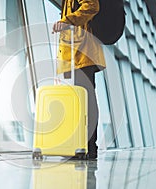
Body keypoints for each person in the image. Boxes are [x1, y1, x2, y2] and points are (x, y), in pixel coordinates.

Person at [52, 0, 106, 159]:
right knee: (78, 103)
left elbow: (92, 6)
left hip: (82, 53)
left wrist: (66, 21)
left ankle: (88, 147)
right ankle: (81, 146)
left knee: (86, 102)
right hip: (73, 56)